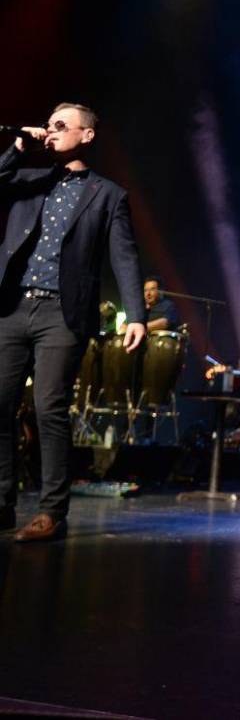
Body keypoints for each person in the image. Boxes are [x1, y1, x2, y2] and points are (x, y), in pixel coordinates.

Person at [0, 103, 146, 542]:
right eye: (49, 124)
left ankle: (51, 512)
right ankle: (2, 504)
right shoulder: (27, 178)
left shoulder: (108, 195)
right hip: (12, 306)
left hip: (62, 314)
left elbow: (124, 256)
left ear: (87, 135)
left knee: (49, 407)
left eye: (61, 125)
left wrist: (136, 315)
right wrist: (17, 149)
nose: (51, 130)